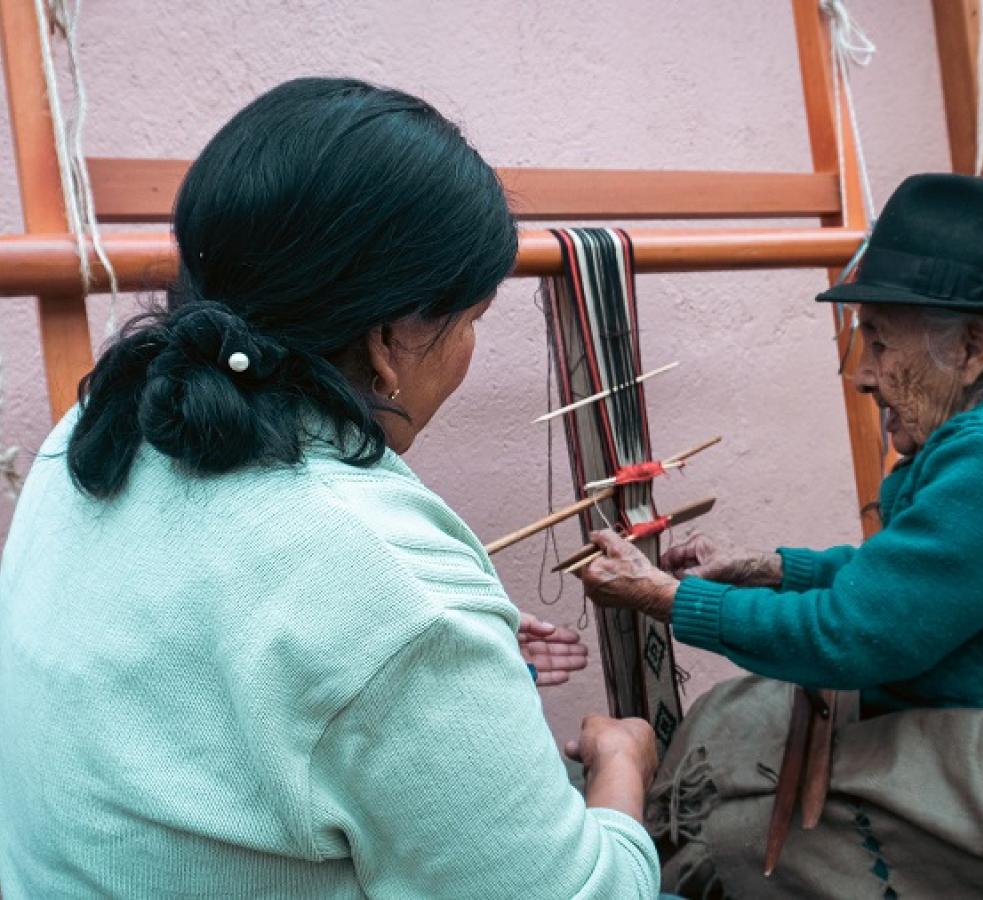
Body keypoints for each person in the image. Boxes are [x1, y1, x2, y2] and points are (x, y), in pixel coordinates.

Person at [0, 77, 660, 898]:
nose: (468, 347)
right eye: (473, 320)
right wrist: (621, 770)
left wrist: (428, 677)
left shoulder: (98, 429)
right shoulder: (388, 593)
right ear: (389, 341)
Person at [579, 174, 983, 898]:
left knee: (732, 844)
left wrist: (663, 599)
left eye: (878, 340)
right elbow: (934, 580)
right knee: (738, 718)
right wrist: (777, 569)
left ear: (972, 346)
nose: (864, 375)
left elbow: (854, 637)